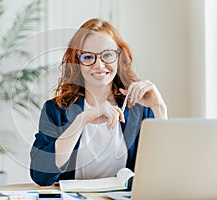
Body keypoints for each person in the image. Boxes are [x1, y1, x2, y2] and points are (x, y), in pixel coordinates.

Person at [30, 18, 167, 186]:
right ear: (77, 62)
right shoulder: (56, 109)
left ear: (119, 57)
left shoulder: (138, 109)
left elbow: (162, 171)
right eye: (88, 57)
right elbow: (40, 175)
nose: (99, 65)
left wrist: (159, 109)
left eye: (107, 55)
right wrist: (82, 121)